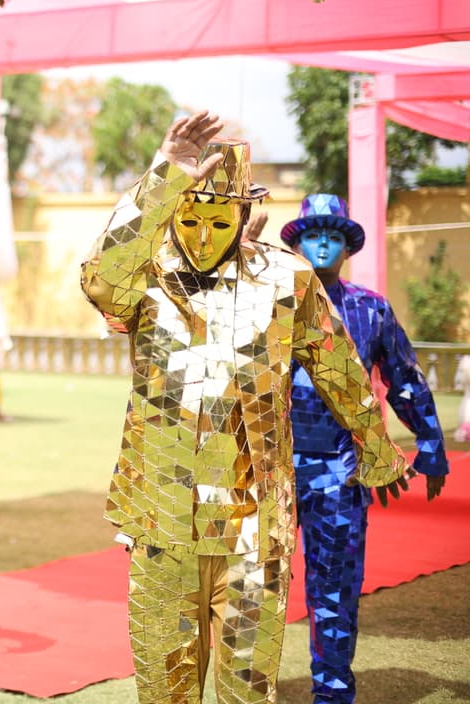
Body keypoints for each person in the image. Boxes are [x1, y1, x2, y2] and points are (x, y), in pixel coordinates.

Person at [80, 111, 410, 704]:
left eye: (218, 219)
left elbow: (339, 368)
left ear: (242, 215)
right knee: (164, 688)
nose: (203, 236)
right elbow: (100, 277)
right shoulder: (148, 277)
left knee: (247, 689)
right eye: (191, 218)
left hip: (254, 525)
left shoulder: (288, 281)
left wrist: (376, 444)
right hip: (162, 516)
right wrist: (167, 175)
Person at [279, 194, 448, 704]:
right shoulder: (272, 308)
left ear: (348, 247)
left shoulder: (371, 309)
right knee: (256, 588)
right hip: (271, 471)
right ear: (298, 243)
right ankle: (250, 689)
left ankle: (332, 692)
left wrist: (431, 445)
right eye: (313, 232)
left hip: (341, 471)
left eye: (334, 234)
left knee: (334, 588)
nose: (324, 241)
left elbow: (405, 380)